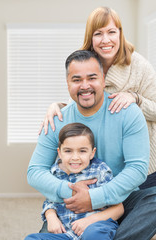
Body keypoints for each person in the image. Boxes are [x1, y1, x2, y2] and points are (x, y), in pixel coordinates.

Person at [27, 49, 156, 240]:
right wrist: (72, 192)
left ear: (103, 79)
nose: (84, 85)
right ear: (68, 83)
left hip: (121, 199)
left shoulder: (128, 112)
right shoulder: (58, 118)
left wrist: (95, 198)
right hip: (72, 202)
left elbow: (137, 169)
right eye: (76, 79)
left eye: (92, 78)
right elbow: (35, 171)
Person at [39, 7, 156, 187]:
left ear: (120, 34)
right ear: (90, 38)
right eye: (98, 33)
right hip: (99, 161)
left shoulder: (139, 66)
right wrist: (57, 106)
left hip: (142, 160)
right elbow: (80, 101)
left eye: (111, 32)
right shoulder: (85, 63)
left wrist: (136, 98)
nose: (105, 40)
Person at [25, 123, 123, 240]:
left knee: (94, 234)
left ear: (92, 153)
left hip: (96, 226)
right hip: (67, 233)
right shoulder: (55, 172)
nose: (75, 157)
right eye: (68, 151)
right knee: (31, 238)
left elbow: (118, 208)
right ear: (60, 153)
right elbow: (50, 201)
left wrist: (89, 221)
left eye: (82, 151)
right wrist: (51, 217)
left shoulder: (100, 170)